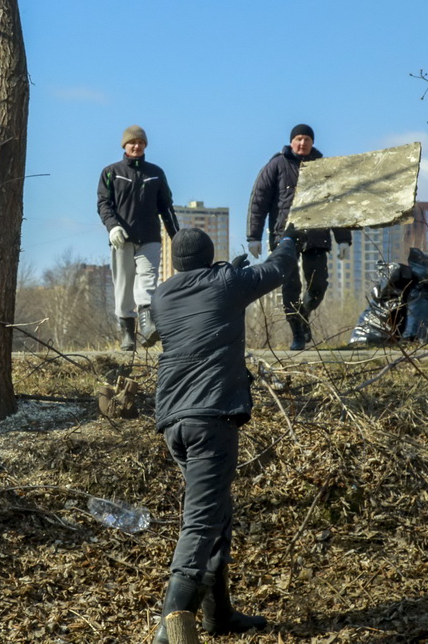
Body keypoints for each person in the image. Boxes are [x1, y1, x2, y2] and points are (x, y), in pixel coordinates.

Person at [148, 226, 300, 643]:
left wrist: (224, 274)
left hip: (174, 420)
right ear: (209, 255)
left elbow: (201, 302)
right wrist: (289, 240)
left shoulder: (161, 296)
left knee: (216, 511)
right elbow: (279, 268)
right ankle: (170, 630)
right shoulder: (227, 282)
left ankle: (218, 615)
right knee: (201, 521)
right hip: (211, 418)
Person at [246, 124, 352, 350]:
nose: (302, 143)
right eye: (299, 139)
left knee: (318, 285)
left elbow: (336, 204)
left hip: (317, 235)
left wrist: (343, 238)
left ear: (312, 142)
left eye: (307, 139)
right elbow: (259, 201)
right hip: (285, 236)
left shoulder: (324, 167)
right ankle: (297, 333)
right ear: (291, 141)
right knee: (290, 287)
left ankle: (303, 314)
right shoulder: (276, 165)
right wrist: (253, 236)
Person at [97, 125, 179, 351]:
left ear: (145, 145)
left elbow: (166, 207)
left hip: (150, 237)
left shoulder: (155, 173)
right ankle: (127, 336)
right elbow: (103, 204)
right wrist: (112, 227)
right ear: (125, 145)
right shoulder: (111, 172)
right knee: (123, 286)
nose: (137, 146)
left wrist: (177, 237)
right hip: (121, 239)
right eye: (132, 142)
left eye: (141, 142)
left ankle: (147, 327)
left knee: (148, 279)